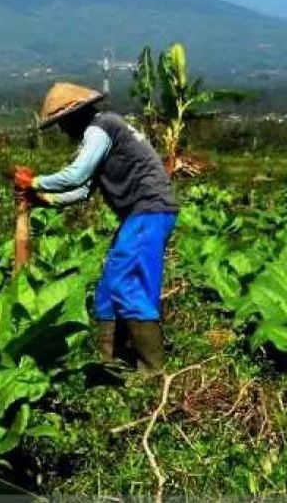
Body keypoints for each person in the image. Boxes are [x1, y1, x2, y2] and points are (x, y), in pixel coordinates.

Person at [14, 82, 178, 373]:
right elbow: (83, 191)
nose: (62, 131)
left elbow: (76, 175)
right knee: (107, 289)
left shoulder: (100, 128)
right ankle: (109, 362)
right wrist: (44, 199)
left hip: (148, 210)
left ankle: (152, 371)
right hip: (141, 215)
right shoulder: (100, 135)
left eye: (61, 124)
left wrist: (35, 182)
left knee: (126, 284)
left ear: (74, 116)